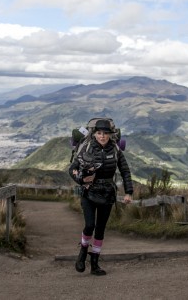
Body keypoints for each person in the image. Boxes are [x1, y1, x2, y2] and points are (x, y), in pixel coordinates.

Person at [68, 118, 133, 276]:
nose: (102, 136)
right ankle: (83, 252)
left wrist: (129, 192)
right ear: (95, 134)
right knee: (90, 225)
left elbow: (125, 171)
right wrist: (81, 180)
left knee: (100, 229)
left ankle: (95, 264)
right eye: (99, 133)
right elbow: (72, 169)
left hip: (107, 194)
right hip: (88, 192)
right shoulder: (87, 148)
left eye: (105, 133)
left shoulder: (115, 150)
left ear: (110, 134)